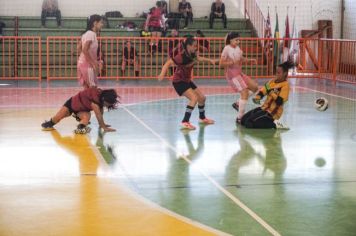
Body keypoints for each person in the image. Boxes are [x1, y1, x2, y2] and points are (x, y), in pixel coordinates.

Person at [158, 37, 216, 130]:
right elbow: (168, 63)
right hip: (179, 81)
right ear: (188, 46)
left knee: (202, 98)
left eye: (196, 46)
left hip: (187, 80)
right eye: (194, 46)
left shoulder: (193, 54)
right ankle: (185, 121)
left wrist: (210, 60)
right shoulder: (181, 57)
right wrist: (162, 73)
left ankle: (202, 118)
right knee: (194, 98)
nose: (196, 48)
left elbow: (199, 58)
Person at [240, 60, 295, 129]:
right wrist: (258, 97)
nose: (276, 74)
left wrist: (271, 92)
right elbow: (263, 91)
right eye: (276, 72)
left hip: (272, 112)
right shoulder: (272, 81)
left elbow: (279, 101)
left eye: (279, 73)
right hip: (264, 108)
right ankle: (265, 122)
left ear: (285, 73)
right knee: (243, 120)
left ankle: (275, 124)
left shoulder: (285, 86)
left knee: (249, 124)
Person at [41, 88, 119, 134]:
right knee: (56, 118)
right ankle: (50, 122)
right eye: (107, 104)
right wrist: (103, 127)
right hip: (72, 105)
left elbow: (101, 112)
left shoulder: (102, 100)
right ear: (104, 99)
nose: (107, 106)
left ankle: (80, 128)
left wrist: (103, 124)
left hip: (82, 110)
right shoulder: (95, 101)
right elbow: (98, 114)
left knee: (86, 117)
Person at [219, 32, 258, 122]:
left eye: (239, 40)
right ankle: (240, 118)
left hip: (239, 73)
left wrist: (249, 60)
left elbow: (241, 58)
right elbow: (221, 63)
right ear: (231, 40)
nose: (238, 41)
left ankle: (238, 103)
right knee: (244, 93)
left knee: (254, 88)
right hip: (232, 75)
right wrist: (232, 62)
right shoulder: (226, 49)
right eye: (236, 40)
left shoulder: (237, 48)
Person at [77, 15, 104, 88]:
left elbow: (79, 48)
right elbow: (84, 50)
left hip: (82, 64)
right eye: (101, 23)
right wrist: (93, 63)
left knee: (87, 92)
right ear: (95, 23)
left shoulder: (86, 34)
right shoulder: (91, 34)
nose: (102, 25)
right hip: (87, 66)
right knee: (93, 90)